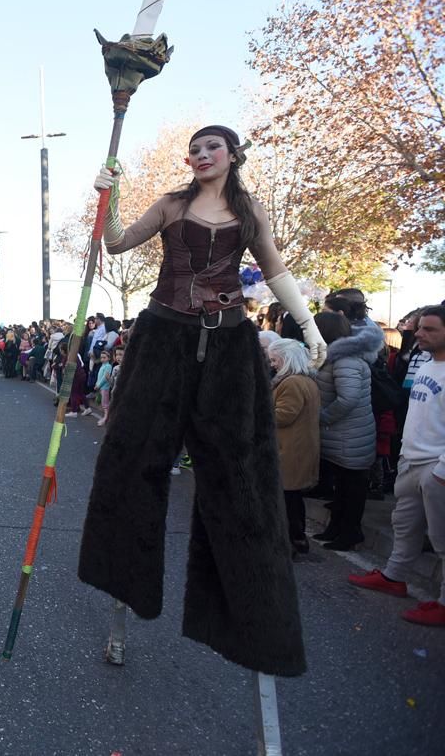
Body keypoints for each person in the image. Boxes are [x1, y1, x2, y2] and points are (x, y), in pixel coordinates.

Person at [79, 126, 326, 678]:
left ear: (233, 155)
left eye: (212, 146)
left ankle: (254, 625)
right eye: (194, 149)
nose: (200, 154)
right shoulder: (172, 205)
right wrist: (109, 199)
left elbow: (276, 271)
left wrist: (308, 326)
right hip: (164, 337)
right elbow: (116, 243)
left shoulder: (250, 209)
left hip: (231, 342)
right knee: (132, 464)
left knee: (242, 479)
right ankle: (122, 599)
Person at [348, 306, 445, 626]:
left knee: (442, 539)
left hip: (437, 468)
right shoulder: (428, 365)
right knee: (405, 525)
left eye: (429, 329)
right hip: (412, 460)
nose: (418, 334)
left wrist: (441, 471)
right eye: (420, 328)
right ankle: (394, 577)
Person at [311, 311, 379, 550]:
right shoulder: (338, 357)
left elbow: (347, 399)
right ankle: (336, 528)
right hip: (344, 435)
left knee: (352, 488)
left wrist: (322, 418)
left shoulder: (345, 359)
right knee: (343, 486)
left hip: (349, 435)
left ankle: (350, 532)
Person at [267, 338, 321, 557]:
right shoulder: (305, 381)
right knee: (292, 499)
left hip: (289, 450)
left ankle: (290, 543)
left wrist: (258, 411)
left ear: (286, 358)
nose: (272, 364)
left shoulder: (292, 383)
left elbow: (284, 416)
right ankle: (296, 540)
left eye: (274, 359)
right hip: (297, 447)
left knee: (287, 501)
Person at [94, 351, 113, 426]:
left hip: (105, 387)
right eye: (101, 357)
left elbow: (105, 378)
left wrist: (98, 385)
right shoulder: (103, 365)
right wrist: (97, 383)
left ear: (109, 358)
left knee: (105, 403)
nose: (102, 359)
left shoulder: (108, 366)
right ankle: (105, 417)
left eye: (104, 357)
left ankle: (106, 418)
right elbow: (99, 376)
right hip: (101, 387)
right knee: (103, 402)